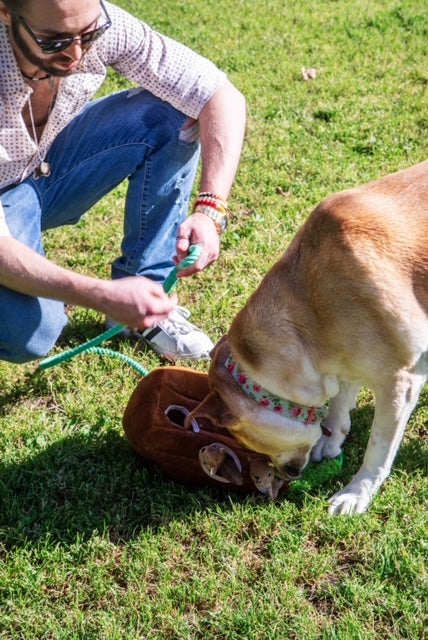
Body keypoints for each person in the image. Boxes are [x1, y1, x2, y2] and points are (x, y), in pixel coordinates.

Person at [0, 0, 246, 363]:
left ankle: (144, 302)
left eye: (89, 34)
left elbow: (218, 94)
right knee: (31, 334)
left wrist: (210, 209)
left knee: (171, 116)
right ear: (5, 12)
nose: (77, 54)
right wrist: (98, 293)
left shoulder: (98, 25)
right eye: (54, 41)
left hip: (40, 168)